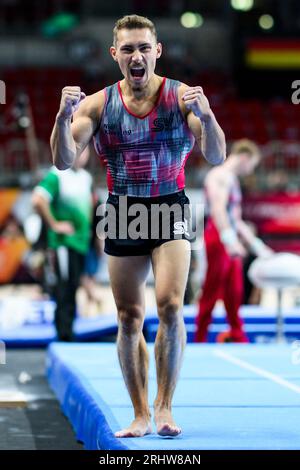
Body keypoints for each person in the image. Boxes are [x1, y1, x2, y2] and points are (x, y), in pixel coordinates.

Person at [50, 14, 226, 437]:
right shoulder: (97, 103)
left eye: (144, 48)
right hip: (123, 210)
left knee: (169, 306)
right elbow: (63, 160)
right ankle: (140, 413)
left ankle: (164, 407)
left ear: (157, 51)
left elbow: (216, 154)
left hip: (170, 207)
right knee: (129, 317)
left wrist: (209, 114)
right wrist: (61, 118)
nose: (137, 55)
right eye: (128, 49)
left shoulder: (181, 97)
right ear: (115, 55)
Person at [195, 139, 272, 343]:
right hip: (218, 236)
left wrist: (258, 246)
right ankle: (199, 339)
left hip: (229, 237)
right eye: (252, 165)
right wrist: (229, 240)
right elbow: (218, 210)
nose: (250, 171)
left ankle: (238, 336)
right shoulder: (218, 175)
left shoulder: (233, 181)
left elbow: (235, 220)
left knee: (235, 291)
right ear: (245, 158)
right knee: (211, 292)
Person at [32, 147, 93, 341]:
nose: (81, 155)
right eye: (77, 151)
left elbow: (89, 209)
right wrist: (54, 224)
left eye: (84, 151)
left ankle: (68, 330)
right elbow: (38, 199)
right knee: (64, 287)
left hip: (81, 243)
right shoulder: (57, 174)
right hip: (63, 244)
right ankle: (64, 333)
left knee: (74, 286)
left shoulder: (86, 178)